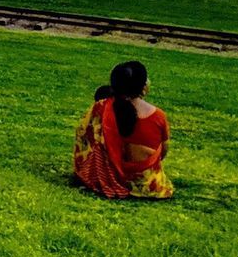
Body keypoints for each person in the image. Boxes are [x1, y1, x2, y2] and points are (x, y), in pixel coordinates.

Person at [73, 60, 173, 199]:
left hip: (106, 177)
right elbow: (164, 151)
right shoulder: (158, 116)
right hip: (146, 184)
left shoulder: (101, 108)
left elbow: (83, 137)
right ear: (144, 86)